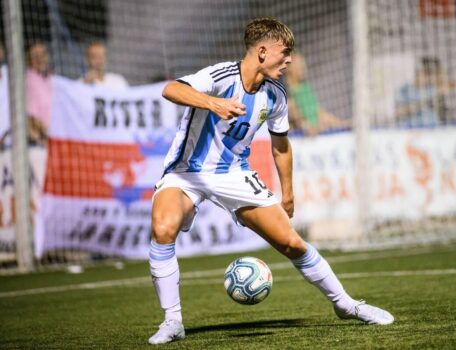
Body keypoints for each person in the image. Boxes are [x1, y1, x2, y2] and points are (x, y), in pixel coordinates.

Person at [147, 17, 394, 345]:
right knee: (163, 229)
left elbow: (281, 146)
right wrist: (213, 102)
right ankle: (173, 321)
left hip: (234, 174)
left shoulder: (275, 96)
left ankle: (347, 305)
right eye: (285, 52)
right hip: (185, 173)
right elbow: (171, 89)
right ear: (262, 52)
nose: (289, 60)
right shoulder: (220, 77)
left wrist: (287, 192)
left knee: (291, 243)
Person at [284, 52, 350, 136]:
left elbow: (319, 113)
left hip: (316, 134)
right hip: (298, 138)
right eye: (298, 64)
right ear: (289, 68)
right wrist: (307, 126)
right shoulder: (286, 92)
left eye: (302, 64)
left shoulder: (306, 88)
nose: (303, 67)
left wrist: (341, 124)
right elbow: (296, 117)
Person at [26, 42, 52, 145]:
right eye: (35, 56)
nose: (39, 59)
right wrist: (52, 135)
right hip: (39, 142)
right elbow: (33, 118)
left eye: (42, 55)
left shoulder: (51, 78)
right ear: (28, 59)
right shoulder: (28, 80)